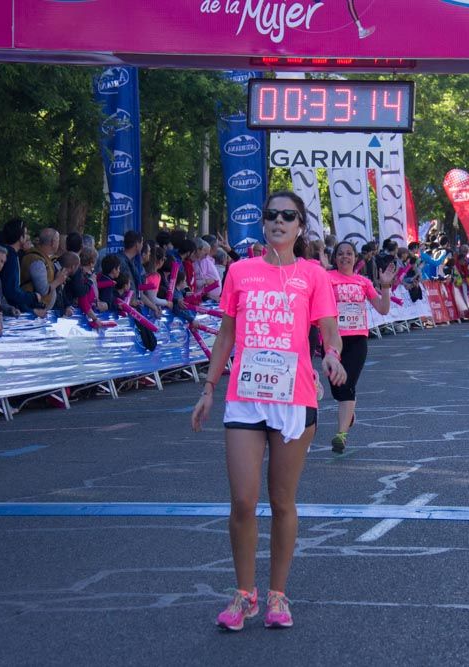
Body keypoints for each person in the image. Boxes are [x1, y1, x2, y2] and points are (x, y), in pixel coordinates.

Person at [191, 191, 346, 632]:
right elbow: (225, 335)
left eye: (287, 216)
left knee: (281, 502)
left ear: (300, 226)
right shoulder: (240, 272)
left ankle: (277, 594)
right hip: (246, 394)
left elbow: (330, 332)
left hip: (294, 398)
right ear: (263, 223)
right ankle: (245, 595)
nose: (278, 222)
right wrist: (208, 388)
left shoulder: (313, 275)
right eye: (271, 215)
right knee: (242, 501)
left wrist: (331, 356)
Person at [327, 241, 395, 452]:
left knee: (346, 385)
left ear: (355, 258)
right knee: (337, 389)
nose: (345, 257)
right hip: (332, 340)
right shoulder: (326, 279)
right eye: (340, 254)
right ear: (335, 258)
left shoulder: (362, 282)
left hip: (357, 340)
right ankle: (349, 413)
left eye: (349, 254)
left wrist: (385, 286)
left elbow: (383, 309)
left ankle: (341, 436)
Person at [0, 218, 42, 314]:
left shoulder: (9, 253)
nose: (28, 237)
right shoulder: (11, 257)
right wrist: (33, 297)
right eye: (26, 234)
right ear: (20, 237)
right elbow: (11, 292)